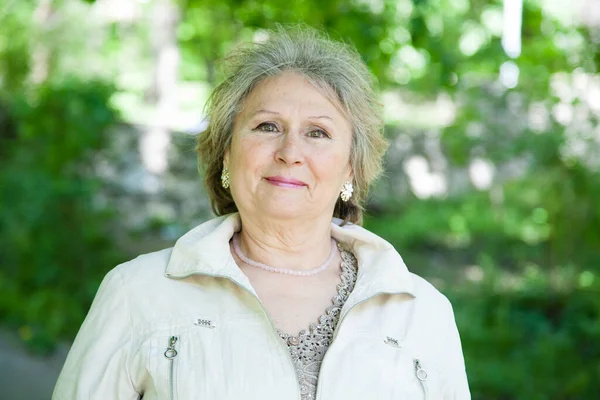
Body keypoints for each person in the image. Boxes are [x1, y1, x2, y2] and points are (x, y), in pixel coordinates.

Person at [53, 26, 470, 400]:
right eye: (267, 126)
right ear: (226, 153)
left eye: (318, 133)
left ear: (351, 168)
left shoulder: (424, 314)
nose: (290, 153)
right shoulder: (135, 294)